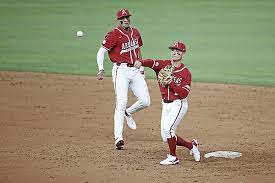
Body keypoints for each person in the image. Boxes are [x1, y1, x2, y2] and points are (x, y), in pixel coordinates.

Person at [134, 41, 200, 165]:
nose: (175, 53)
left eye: (178, 51)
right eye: (173, 50)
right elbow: (151, 62)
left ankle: (173, 157)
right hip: (165, 104)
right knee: (166, 136)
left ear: (183, 53)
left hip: (178, 104)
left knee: (168, 130)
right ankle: (191, 145)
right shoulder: (164, 65)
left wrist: (171, 82)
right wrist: (141, 62)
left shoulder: (185, 73)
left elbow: (183, 94)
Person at [96, 9, 150, 150]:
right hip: (121, 71)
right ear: (118, 20)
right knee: (121, 102)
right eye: (123, 18)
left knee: (145, 101)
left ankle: (129, 112)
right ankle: (118, 138)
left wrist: (141, 67)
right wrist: (101, 68)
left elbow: (138, 50)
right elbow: (101, 51)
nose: (125, 19)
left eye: (127, 17)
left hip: (135, 70)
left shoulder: (136, 32)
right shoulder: (114, 34)